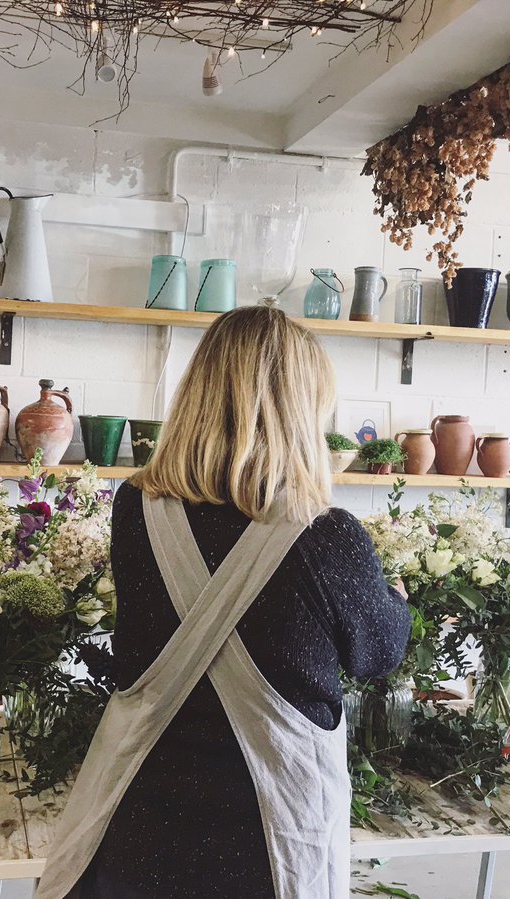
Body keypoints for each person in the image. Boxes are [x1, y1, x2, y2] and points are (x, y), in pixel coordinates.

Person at [36, 305, 410, 899]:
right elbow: (378, 654)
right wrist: (393, 599)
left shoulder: (135, 509)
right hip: (265, 836)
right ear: (300, 412)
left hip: (143, 808)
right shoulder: (325, 536)